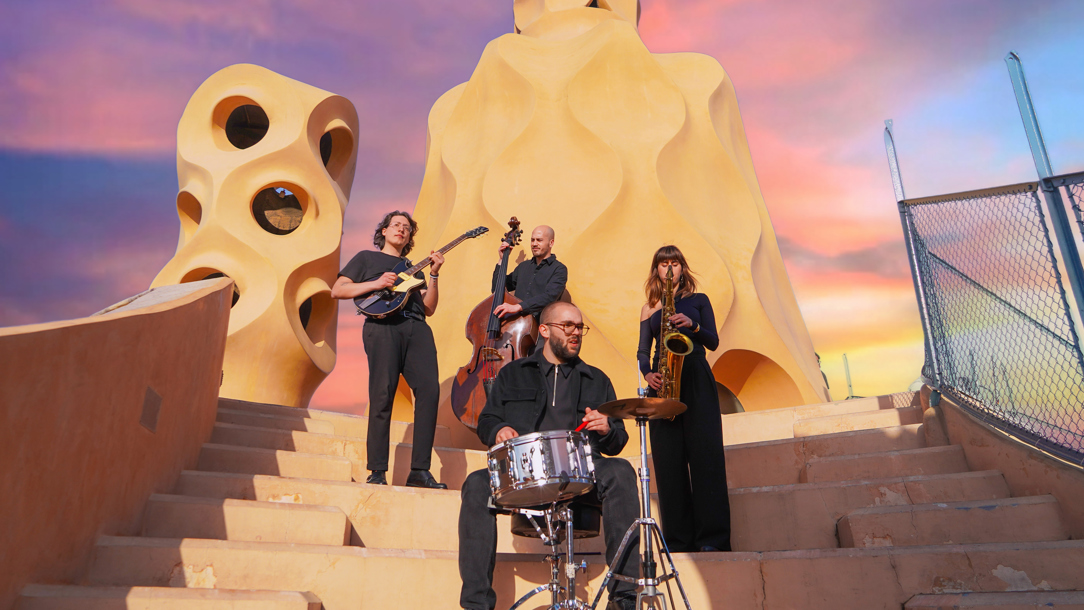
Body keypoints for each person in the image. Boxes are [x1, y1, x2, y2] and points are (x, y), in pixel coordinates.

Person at [459, 302, 640, 610]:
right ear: (544, 330)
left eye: (579, 327)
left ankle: (624, 597)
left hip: (582, 470)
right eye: (567, 325)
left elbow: (617, 441)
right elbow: (488, 419)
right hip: (525, 470)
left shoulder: (597, 379)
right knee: (476, 485)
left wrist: (607, 428)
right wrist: (499, 429)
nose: (575, 332)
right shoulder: (513, 374)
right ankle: (476, 604)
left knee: (621, 471)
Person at [331, 210, 448, 489]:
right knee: (382, 394)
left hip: (417, 327)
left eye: (407, 227)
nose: (401, 229)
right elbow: (338, 290)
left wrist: (433, 275)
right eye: (396, 224)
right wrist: (376, 283)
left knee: (429, 392)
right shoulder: (366, 258)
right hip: (382, 327)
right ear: (384, 231)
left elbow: (429, 308)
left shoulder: (413, 267)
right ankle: (377, 471)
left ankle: (419, 470)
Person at [637, 245, 731, 552]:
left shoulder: (698, 300)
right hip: (663, 382)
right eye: (663, 264)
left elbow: (713, 341)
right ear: (656, 270)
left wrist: (693, 325)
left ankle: (713, 540)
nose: (669, 269)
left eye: (674, 263)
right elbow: (643, 351)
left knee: (706, 457)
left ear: (682, 268)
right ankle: (678, 542)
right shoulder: (649, 308)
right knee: (668, 463)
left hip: (695, 376)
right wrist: (648, 373)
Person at [491, 225, 568, 321]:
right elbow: (497, 289)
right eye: (532, 240)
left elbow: (550, 296)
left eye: (539, 240)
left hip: (540, 325)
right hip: (515, 323)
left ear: (551, 243)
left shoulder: (559, 269)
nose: (534, 244)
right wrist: (502, 260)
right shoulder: (523, 266)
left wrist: (519, 307)